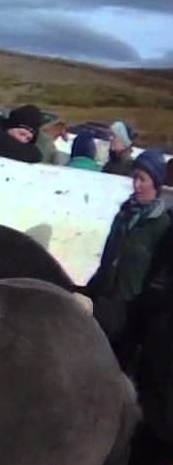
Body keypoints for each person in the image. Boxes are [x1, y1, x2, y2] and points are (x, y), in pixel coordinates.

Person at [86, 149, 170, 367]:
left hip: (129, 314)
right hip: (104, 303)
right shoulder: (123, 215)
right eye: (135, 178)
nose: (136, 185)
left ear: (156, 183)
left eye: (143, 179)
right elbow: (107, 258)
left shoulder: (161, 227)